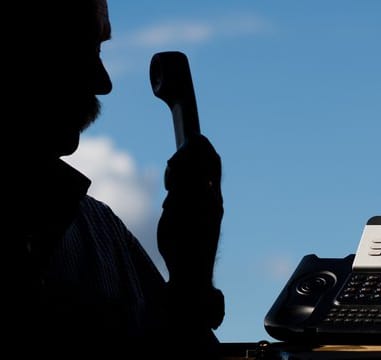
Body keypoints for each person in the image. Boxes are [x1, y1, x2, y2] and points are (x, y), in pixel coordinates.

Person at [4, 0, 225, 353]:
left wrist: (191, 279)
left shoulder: (100, 231)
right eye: (84, 48)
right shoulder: (94, 235)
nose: (103, 81)